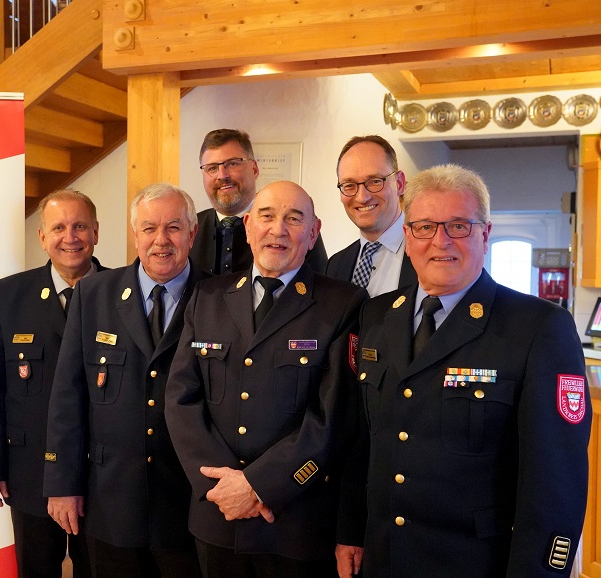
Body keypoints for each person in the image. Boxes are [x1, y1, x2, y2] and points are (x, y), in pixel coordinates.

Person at [356, 164, 591, 577]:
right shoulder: (376, 315)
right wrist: (350, 532)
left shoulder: (538, 327)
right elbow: (363, 442)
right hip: (385, 557)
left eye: (459, 226)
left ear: (485, 234)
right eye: (424, 227)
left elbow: (556, 480)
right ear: (408, 236)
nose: (440, 241)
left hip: (476, 563)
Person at [166, 180, 368, 578]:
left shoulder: (342, 304)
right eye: (267, 216)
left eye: (294, 219)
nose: (278, 230)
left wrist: (257, 486)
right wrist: (223, 487)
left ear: (313, 233)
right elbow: (180, 400)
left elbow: (332, 418)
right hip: (218, 516)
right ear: (247, 226)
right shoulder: (207, 297)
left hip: (294, 522)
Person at [44, 183, 205, 578]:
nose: (161, 240)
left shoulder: (218, 296)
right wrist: (62, 484)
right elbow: (68, 397)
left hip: (189, 502)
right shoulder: (93, 294)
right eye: (149, 228)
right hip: (111, 499)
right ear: (135, 234)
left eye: (173, 227)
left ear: (192, 232)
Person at [0, 190, 100, 578]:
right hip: (30, 471)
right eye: (58, 228)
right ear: (42, 237)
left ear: (96, 232)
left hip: (101, 473)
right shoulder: (8, 295)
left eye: (80, 226)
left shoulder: (122, 291)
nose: (70, 237)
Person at [190, 128, 328, 275]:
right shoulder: (189, 228)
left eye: (233, 164)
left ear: (254, 169)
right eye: (212, 168)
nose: (222, 175)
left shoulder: (297, 226)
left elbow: (318, 284)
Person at [326, 135, 417, 295]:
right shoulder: (335, 265)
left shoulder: (430, 253)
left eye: (375, 181)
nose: (362, 197)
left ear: (400, 183)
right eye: (349, 185)